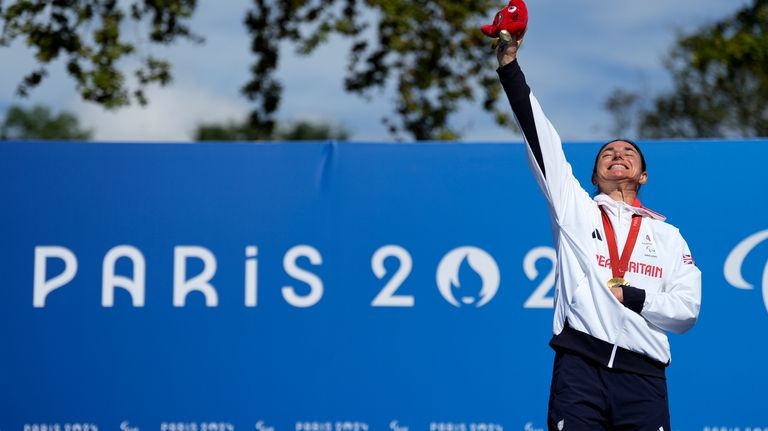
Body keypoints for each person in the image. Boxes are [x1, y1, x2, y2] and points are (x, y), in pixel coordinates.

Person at [495, 33, 702, 430]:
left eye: (628, 153)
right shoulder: (576, 210)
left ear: (642, 175)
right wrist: (509, 67)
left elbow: (687, 312)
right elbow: (542, 141)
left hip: (643, 378)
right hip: (580, 370)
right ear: (595, 175)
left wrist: (637, 298)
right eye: (608, 153)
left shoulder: (669, 236)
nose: (617, 155)